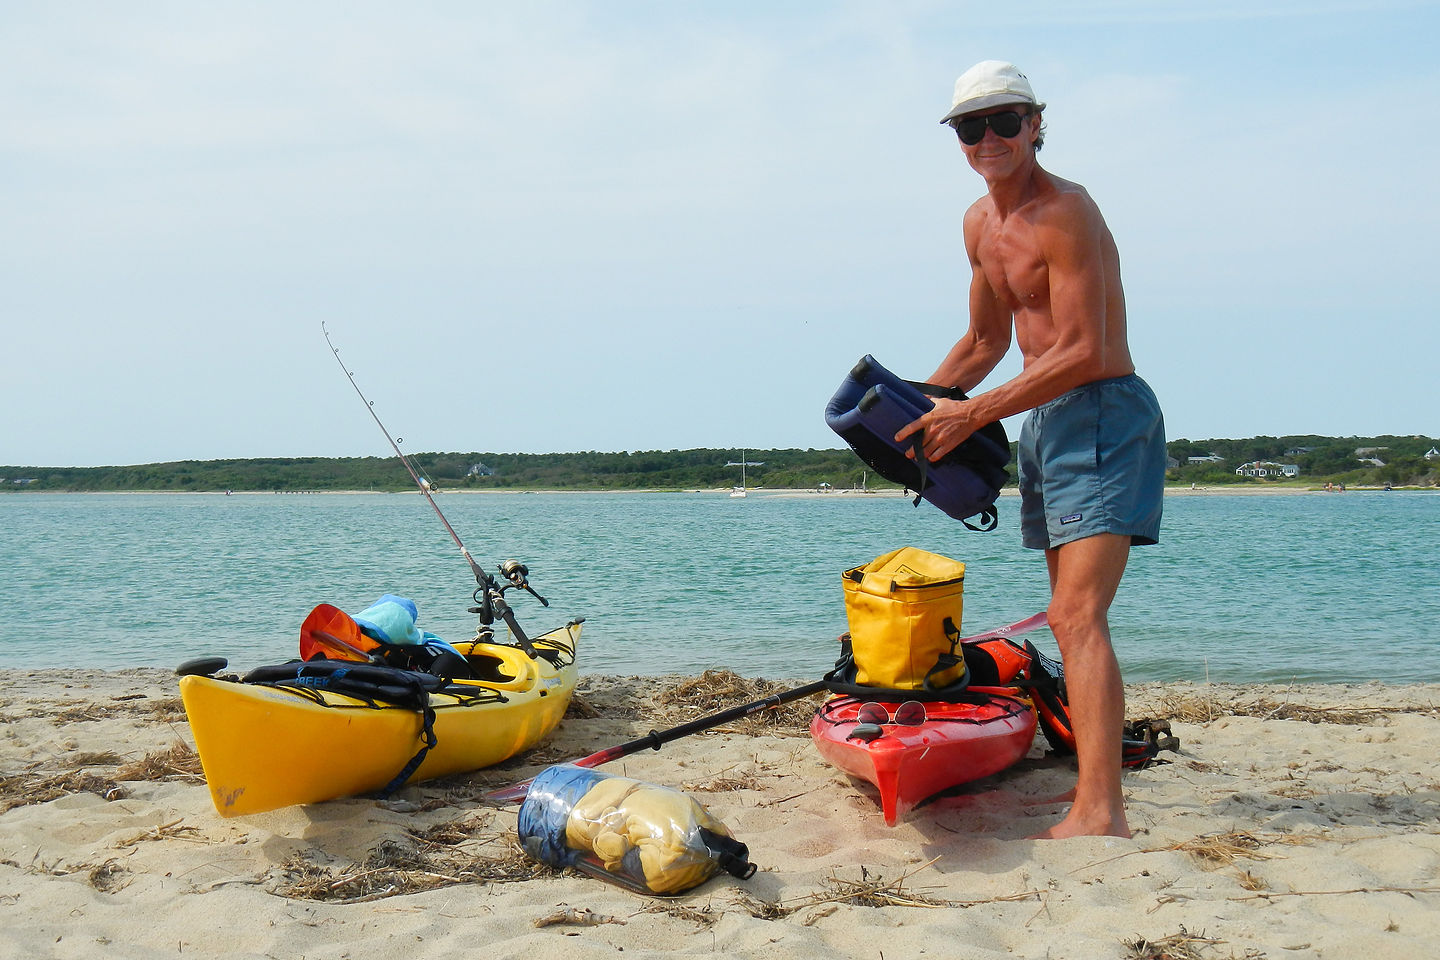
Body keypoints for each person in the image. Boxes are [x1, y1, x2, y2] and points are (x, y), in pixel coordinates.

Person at [895, 61, 1166, 839]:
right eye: (971, 127)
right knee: (1063, 614)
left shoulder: (1066, 211)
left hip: (1103, 411)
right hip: (1042, 419)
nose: (989, 139)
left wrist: (973, 412)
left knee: (1079, 614)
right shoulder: (979, 225)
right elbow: (985, 341)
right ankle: (1092, 796)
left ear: (1036, 123)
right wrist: (915, 414)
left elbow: (1084, 347)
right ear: (958, 139)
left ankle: (1101, 813)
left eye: (1005, 121)